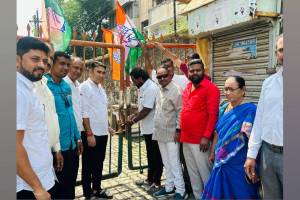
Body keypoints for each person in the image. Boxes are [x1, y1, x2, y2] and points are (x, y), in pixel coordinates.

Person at [201, 76, 260, 199]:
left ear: (243, 90)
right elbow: (217, 132)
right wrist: (213, 151)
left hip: (239, 161)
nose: (227, 93)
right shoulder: (223, 108)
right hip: (221, 159)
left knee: (240, 191)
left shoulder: (250, 110)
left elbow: (250, 136)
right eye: (226, 89)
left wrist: (252, 159)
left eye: (231, 89)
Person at [244, 35, 284, 199]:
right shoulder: (269, 83)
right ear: (276, 54)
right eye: (281, 50)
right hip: (268, 154)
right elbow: (259, 120)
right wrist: (251, 155)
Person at [16, 36, 55, 200]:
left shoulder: (27, 87)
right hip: (28, 186)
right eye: (35, 59)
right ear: (17, 60)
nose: (41, 65)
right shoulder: (18, 92)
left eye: (44, 61)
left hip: (37, 178)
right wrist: (38, 188)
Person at [44, 51, 83, 199]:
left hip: (71, 145)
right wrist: (55, 148)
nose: (65, 67)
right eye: (62, 64)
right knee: (57, 188)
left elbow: (70, 113)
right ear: (51, 64)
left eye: (68, 64)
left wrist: (78, 137)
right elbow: (47, 120)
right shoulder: (45, 85)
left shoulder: (66, 87)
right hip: (56, 148)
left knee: (70, 184)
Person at [180, 58, 220, 200]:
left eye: (198, 70)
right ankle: (198, 197)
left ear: (204, 71)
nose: (195, 73)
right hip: (185, 138)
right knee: (193, 173)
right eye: (192, 70)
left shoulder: (211, 88)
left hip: (200, 140)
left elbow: (213, 114)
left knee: (205, 174)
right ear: (188, 72)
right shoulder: (187, 87)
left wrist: (206, 136)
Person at [79, 61, 114, 199]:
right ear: (90, 71)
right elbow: (84, 112)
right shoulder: (85, 87)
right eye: (98, 72)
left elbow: (101, 110)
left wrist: (108, 127)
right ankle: (88, 194)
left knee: (99, 163)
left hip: (102, 133)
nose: (101, 75)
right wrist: (89, 134)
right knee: (88, 164)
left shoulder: (100, 88)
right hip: (91, 134)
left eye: (103, 72)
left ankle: (97, 189)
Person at [127, 67, 163, 194]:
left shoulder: (151, 88)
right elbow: (143, 108)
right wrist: (134, 115)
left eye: (133, 80)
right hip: (147, 128)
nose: (133, 83)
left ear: (140, 78)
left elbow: (147, 109)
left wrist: (133, 121)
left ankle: (157, 182)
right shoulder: (143, 87)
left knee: (156, 156)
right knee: (150, 155)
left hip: (154, 128)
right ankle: (149, 179)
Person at [152, 66, 186, 200]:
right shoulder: (159, 90)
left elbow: (181, 112)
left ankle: (181, 190)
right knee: (166, 162)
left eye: (164, 76)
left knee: (174, 162)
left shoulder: (176, 91)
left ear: (170, 75)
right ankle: (169, 188)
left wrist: (178, 130)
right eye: (159, 77)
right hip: (160, 132)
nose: (161, 79)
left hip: (172, 133)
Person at [64, 57, 85, 134]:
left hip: (78, 132)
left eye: (81, 69)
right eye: (76, 68)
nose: (78, 71)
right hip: (66, 133)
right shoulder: (62, 84)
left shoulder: (79, 86)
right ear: (68, 67)